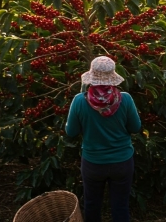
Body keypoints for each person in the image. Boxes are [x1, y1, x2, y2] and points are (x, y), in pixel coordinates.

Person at [65, 56, 141, 222]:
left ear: (91, 77)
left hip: (93, 164)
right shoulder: (125, 99)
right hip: (122, 162)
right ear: (112, 77)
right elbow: (135, 128)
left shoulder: (79, 101)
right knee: (120, 206)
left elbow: (71, 132)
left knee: (92, 205)